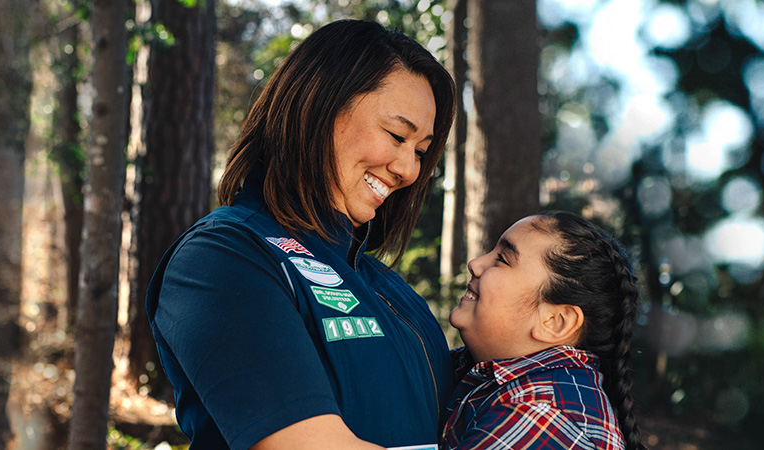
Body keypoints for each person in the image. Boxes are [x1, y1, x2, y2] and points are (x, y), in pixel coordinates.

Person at [144, 19, 455, 450]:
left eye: (420, 151)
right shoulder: (223, 257)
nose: (408, 169)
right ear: (319, 105)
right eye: (397, 135)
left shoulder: (386, 287)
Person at [443, 211, 645, 450]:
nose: (475, 264)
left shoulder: (543, 413)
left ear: (555, 321)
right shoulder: (483, 371)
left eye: (503, 259)